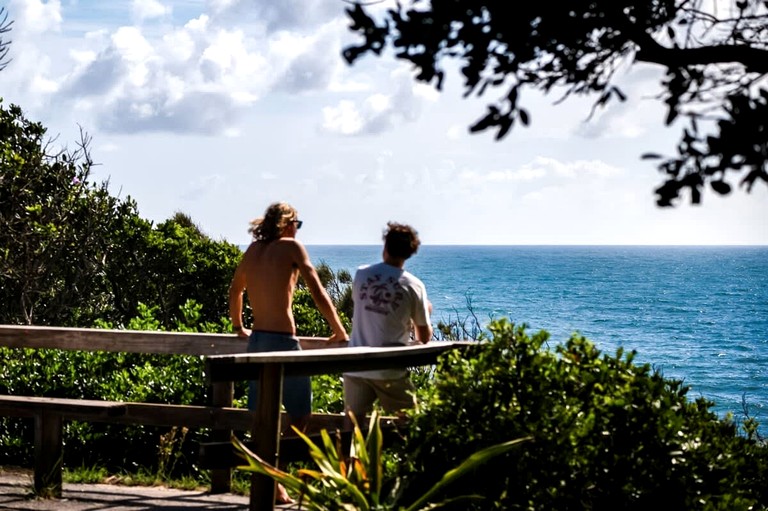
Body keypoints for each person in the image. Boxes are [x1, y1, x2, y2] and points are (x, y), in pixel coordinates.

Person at [229, 201, 348, 427]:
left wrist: (238, 327)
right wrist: (339, 330)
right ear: (286, 224)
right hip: (282, 341)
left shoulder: (253, 250)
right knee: (300, 416)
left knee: (261, 416)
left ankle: (263, 460)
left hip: (256, 342)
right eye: (297, 223)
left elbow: (235, 289)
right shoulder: (292, 247)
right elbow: (317, 290)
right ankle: (281, 462)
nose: (297, 229)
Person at [343, 222, 433, 427]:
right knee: (411, 424)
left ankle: (347, 460)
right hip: (389, 369)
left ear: (385, 246)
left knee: (350, 430)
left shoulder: (361, 275)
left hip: (355, 365)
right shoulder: (414, 285)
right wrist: (426, 312)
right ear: (410, 253)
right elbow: (424, 338)